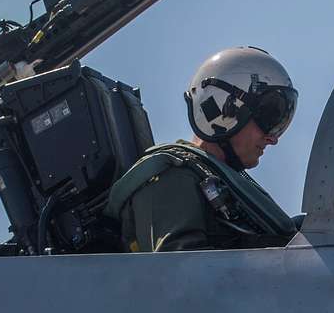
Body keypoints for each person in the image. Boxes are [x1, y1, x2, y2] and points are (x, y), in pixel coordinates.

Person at [105, 46, 299, 252]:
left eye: (280, 124)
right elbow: (183, 275)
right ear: (222, 108)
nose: (272, 138)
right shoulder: (172, 178)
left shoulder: (231, 185)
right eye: (269, 119)